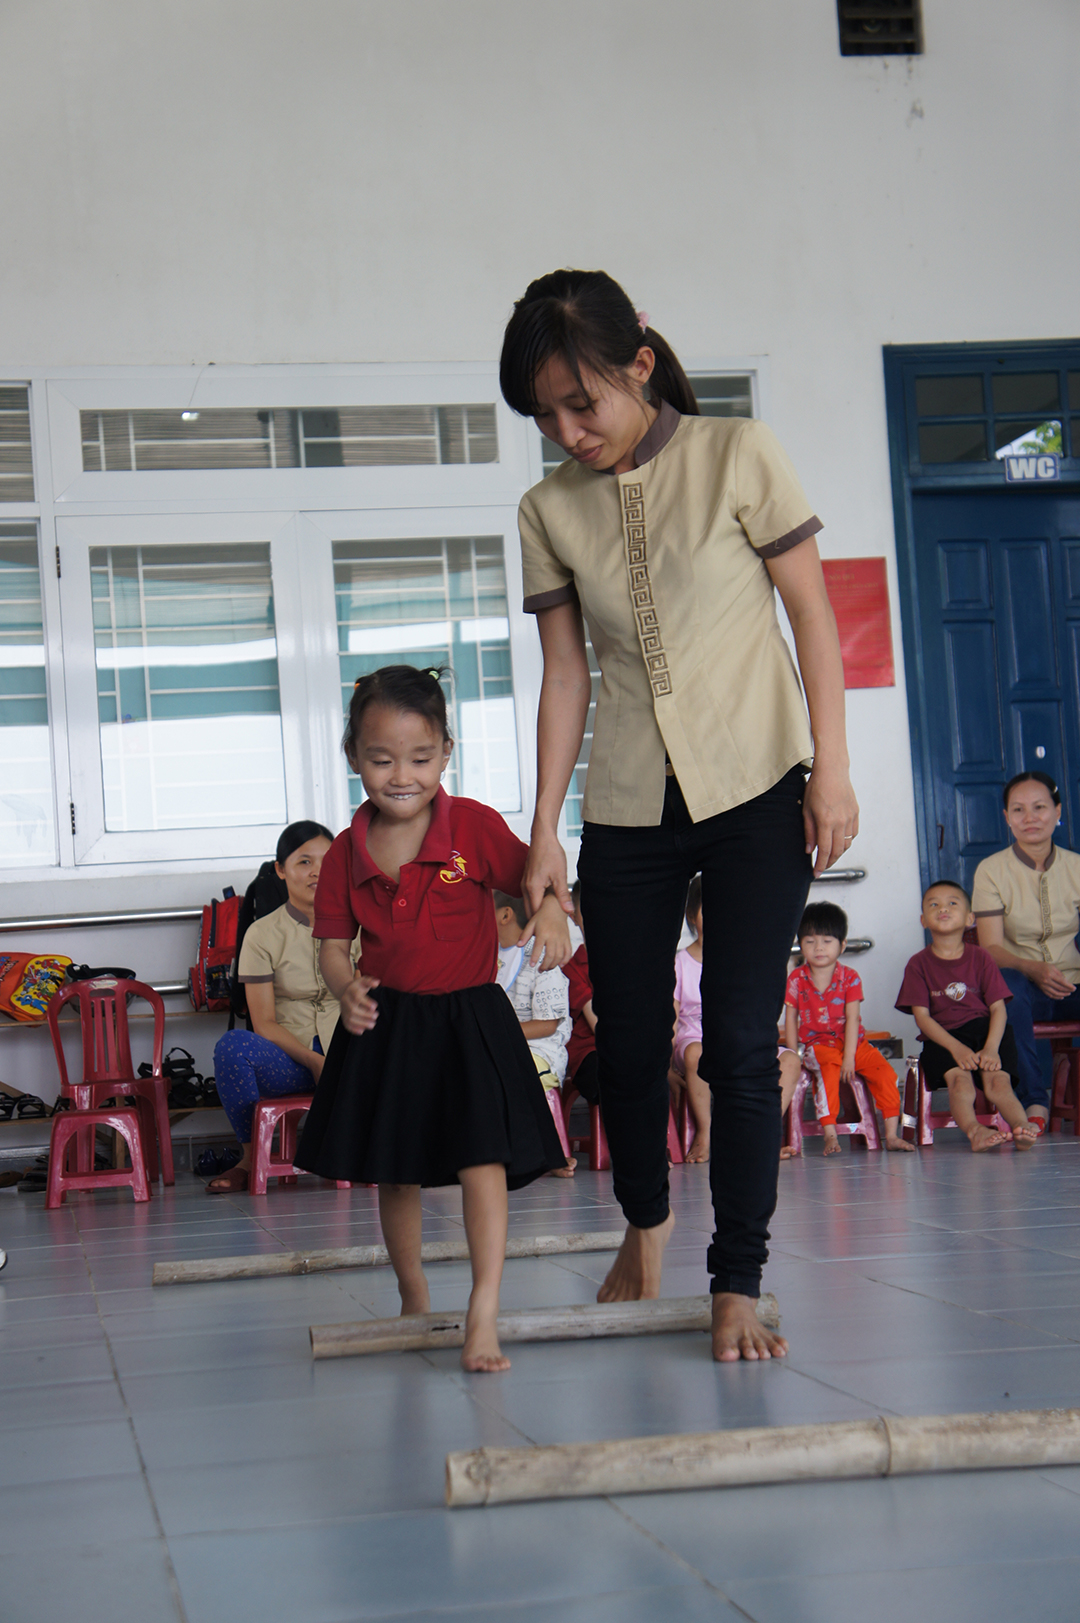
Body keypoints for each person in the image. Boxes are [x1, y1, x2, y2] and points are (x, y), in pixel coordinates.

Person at [500, 268, 859, 1360]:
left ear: (640, 366)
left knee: (744, 1043)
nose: (569, 433)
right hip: (627, 801)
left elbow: (811, 615)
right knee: (634, 1037)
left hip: (757, 784)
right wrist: (544, 829)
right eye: (546, 416)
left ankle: (736, 1278)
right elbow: (567, 675)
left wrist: (831, 772)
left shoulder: (737, 454)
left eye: (583, 404)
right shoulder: (548, 507)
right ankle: (645, 1227)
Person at [294, 665, 569, 1373]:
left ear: (447, 751)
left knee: (483, 1160)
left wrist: (547, 912)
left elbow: (533, 880)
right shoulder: (345, 852)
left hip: (469, 1021)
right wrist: (346, 986)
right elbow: (331, 949)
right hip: (388, 1026)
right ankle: (413, 1293)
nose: (401, 775)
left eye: (420, 758)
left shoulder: (472, 825)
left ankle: (483, 1308)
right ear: (353, 756)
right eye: (381, 759)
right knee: (398, 1169)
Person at [206, 820, 342, 1194]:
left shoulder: (358, 925)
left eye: (327, 861)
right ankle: (251, 1160)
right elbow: (263, 1021)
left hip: (351, 1053)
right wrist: (314, 1061)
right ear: (281, 870)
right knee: (232, 1047)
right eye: (303, 862)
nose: (317, 871)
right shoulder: (262, 934)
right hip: (293, 1060)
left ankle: (394, 1149)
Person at [973, 771, 1080, 1135]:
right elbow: (990, 948)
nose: (1030, 818)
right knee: (1007, 988)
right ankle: (1034, 1101)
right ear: (1006, 817)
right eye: (1018, 810)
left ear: (1058, 811)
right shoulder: (991, 871)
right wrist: (1032, 968)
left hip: (1073, 984)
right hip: (1024, 987)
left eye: (1039, 807)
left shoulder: (1077, 867)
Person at [897, 881, 1036, 1151]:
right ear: (923, 920)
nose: (943, 909)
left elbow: (998, 1009)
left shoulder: (982, 958)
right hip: (943, 1037)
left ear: (970, 918)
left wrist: (992, 1049)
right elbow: (923, 1018)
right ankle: (975, 1132)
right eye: (934, 904)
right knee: (960, 1083)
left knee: (999, 1082)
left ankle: (1021, 1126)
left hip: (988, 1032)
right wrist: (957, 1048)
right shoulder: (918, 964)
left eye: (952, 903)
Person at [784, 902, 913, 1153]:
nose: (818, 948)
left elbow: (853, 1019)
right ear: (801, 945)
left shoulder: (850, 977)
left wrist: (851, 1059)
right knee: (828, 1071)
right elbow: (791, 1018)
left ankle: (892, 1135)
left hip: (854, 1044)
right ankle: (830, 1134)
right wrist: (792, 1055)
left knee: (886, 1074)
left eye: (827, 940)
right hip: (817, 1047)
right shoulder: (796, 979)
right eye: (810, 941)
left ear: (842, 945)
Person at [494, 890, 576, 1177]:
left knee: (523, 1070)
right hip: (497, 1045)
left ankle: (552, 1152)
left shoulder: (540, 955)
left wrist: (496, 1033)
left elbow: (548, 1024)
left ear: (505, 915)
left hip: (540, 1049)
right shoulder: (484, 956)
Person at [669, 875, 710, 1163]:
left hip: (730, 1038)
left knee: (790, 1062)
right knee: (697, 1053)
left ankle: (766, 1134)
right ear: (691, 916)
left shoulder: (740, 959)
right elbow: (669, 1020)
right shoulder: (680, 963)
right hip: (691, 1039)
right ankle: (706, 1132)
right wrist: (667, 1063)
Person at [564, 879, 599, 1106]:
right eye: (589, 911)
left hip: (627, 1047)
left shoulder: (629, 963)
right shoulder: (573, 967)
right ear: (574, 917)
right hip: (590, 1053)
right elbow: (597, 1024)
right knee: (617, 1077)